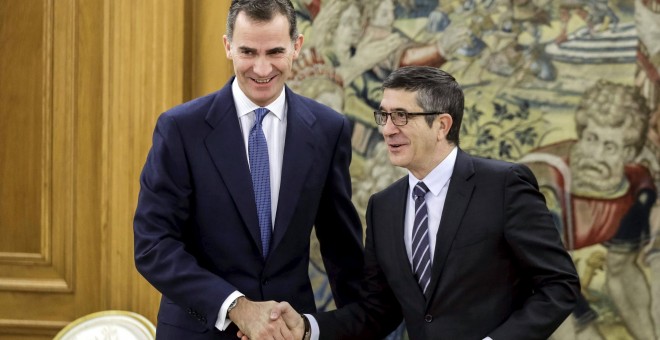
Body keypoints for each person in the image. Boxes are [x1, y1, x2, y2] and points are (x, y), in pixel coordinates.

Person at [262, 66, 581, 339]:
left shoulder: (504, 185)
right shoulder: (382, 207)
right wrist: (305, 327)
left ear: (442, 125)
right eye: (384, 115)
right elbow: (377, 312)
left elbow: (560, 285)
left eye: (401, 116)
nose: (387, 129)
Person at [132, 1, 364, 339]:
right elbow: (153, 244)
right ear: (227, 46)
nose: (261, 67)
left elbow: (343, 254)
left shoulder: (329, 130)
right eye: (247, 52)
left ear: (296, 47)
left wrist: (355, 330)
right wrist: (237, 307)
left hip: (287, 333)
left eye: (274, 51)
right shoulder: (181, 129)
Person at [519, 80, 656, 339]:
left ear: (627, 155)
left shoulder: (635, 190)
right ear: (580, 134)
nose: (595, 155)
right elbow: (539, 276)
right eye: (591, 139)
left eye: (609, 147)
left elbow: (622, 271)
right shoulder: (546, 181)